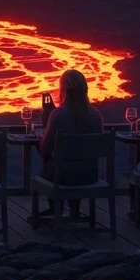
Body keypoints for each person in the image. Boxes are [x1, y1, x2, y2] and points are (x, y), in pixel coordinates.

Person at [38, 70, 104, 210]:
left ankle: (56, 209)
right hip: (90, 175)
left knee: (51, 164)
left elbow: (45, 148)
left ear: (64, 90)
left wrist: (47, 125)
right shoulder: (96, 115)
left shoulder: (57, 115)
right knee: (74, 162)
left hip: (63, 176)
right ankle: (75, 211)